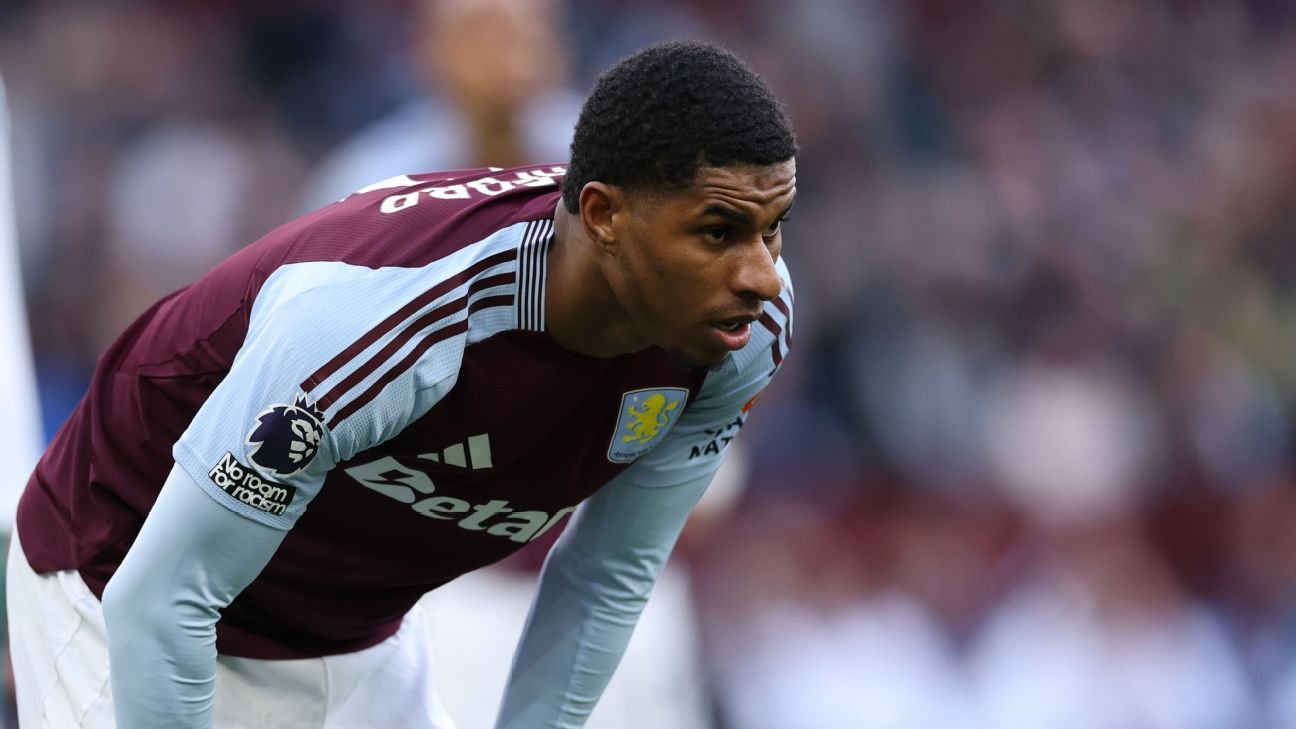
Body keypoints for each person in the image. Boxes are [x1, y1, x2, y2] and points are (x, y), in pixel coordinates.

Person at [7, 39, 797, 729]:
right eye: (718, 232)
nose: (761, 275)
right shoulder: (389, 320)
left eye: (773, 229)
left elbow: (605, 576)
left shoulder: (741, 333)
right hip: (120, 588)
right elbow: (162, 599)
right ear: (603, 215)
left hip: (353, 636)